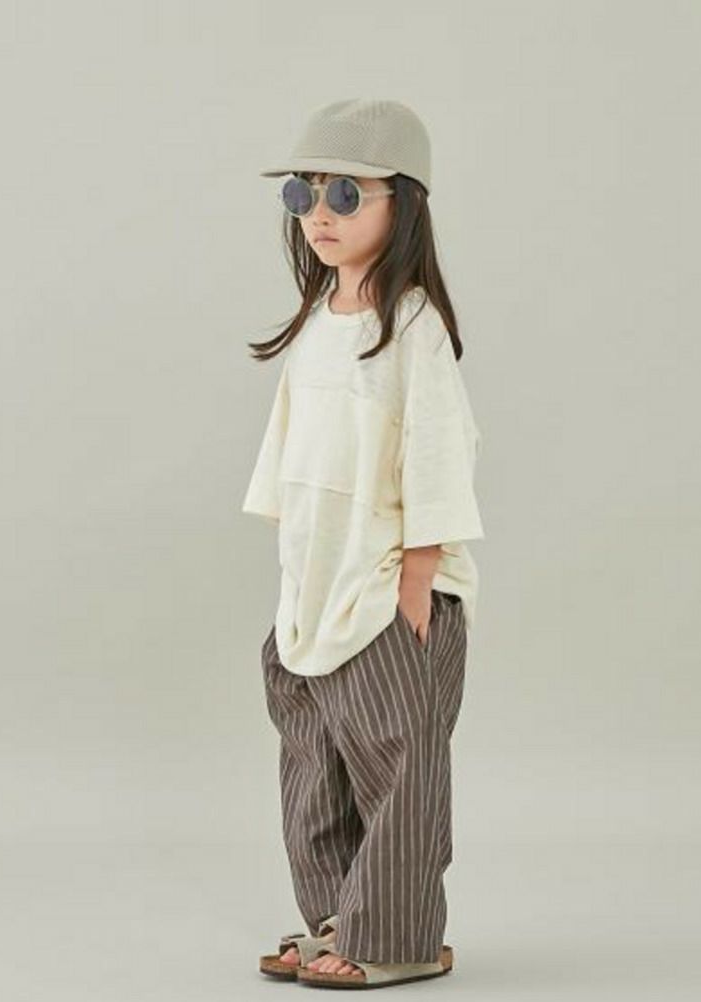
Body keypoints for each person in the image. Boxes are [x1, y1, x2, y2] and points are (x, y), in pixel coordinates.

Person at [243, 98, 485, 990]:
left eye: (346, 192)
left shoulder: (413, 327)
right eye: (303, 192)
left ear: (403, 204)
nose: (320, 212)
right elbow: (292, 459)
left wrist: (415, 587)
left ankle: (398, 937)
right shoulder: (316, 321)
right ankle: (339, 920)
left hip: (386, 591)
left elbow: (440, 455)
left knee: (398, 768)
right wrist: (295, 576)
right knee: (316, 769)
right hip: (315, 587)